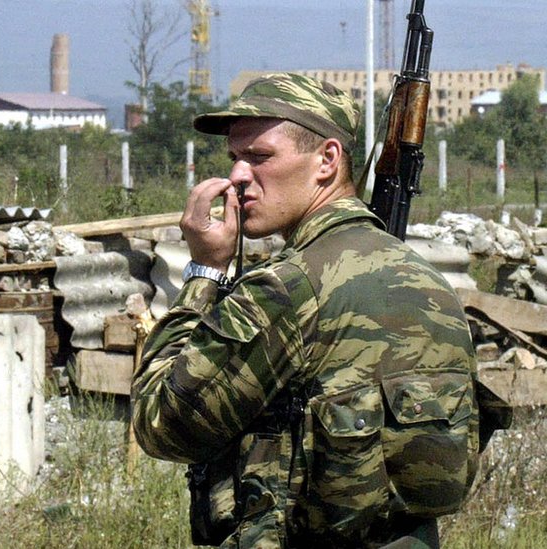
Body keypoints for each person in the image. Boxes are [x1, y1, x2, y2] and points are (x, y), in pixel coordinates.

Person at [131, 73, 506, 547]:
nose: (238, 176)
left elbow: (161, 423)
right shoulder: (431, 283)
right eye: (234, 158)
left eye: (259, 157)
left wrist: (205, 271)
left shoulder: (284, 290)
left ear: (327, 160)